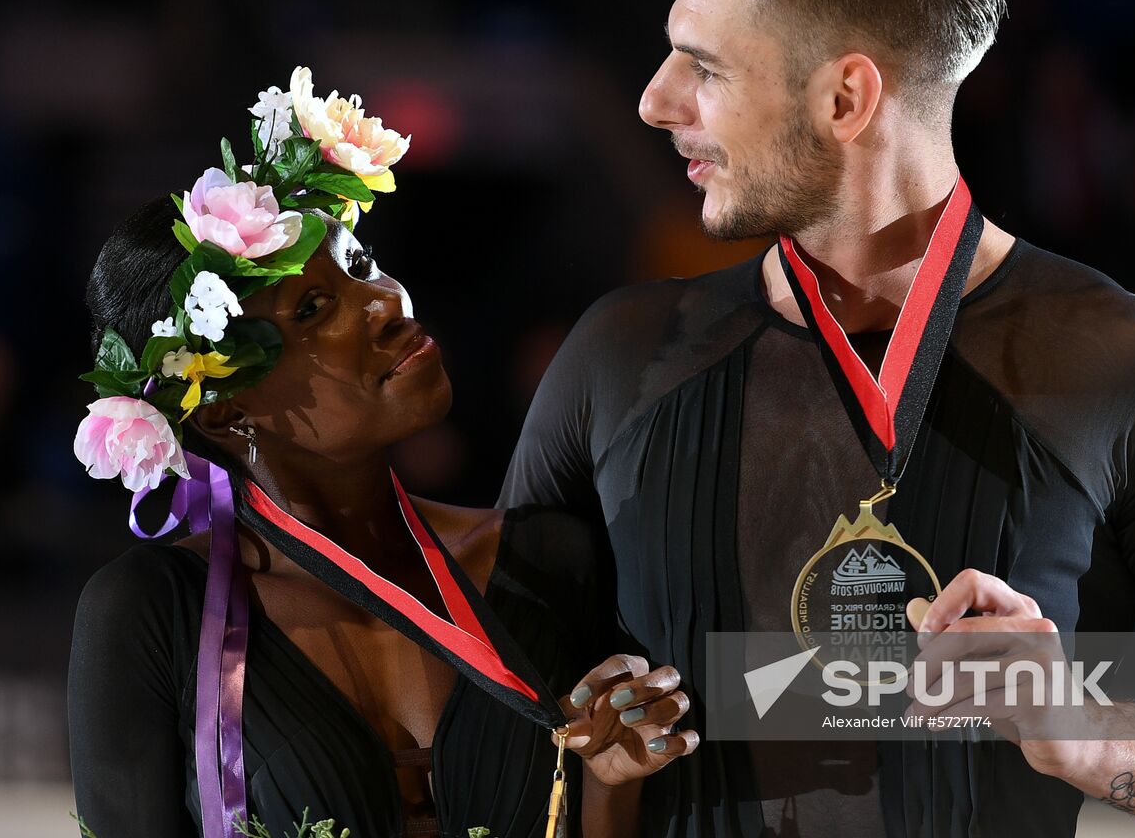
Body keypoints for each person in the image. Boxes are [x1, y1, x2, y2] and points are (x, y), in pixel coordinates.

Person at [497, 0, 1135, 838]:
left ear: (846, 98)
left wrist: (1085, 733)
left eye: (706, 67)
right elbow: (486, 689)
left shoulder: (1133, 364)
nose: (655, 100)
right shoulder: (617, 356)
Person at [68, 70, 698, 838]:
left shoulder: (545, 558)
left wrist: (613, 788)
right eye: (310, 309)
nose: (386, 303)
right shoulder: (154, 611)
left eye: (360, 264)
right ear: (226, 407)